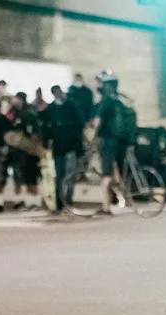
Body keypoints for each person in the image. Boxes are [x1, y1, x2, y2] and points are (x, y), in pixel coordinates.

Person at [91, 70, 136, 215]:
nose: (99, 86)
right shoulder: (119, 99)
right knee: (117, 172)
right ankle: (126, 198)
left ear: (107, 85)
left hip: (107, 140)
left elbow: (97, 121)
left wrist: (92, 138)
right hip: (120, 140)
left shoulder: (106, 100)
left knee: (106, 175)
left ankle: (105, 207)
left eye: (101, 83)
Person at [44, 84, 86, 212]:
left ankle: (67, 201)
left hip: (70, 146)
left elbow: (80, 123)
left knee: (70, 175)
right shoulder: (51, 109)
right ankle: (60, 203)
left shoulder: (71, 106)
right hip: (59, 147)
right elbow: (47, 128)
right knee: (60, 176)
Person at [9, 91, 43, 208]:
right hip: (20, 151)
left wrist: (31, 147)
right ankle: (28, 200)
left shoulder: (28, 113)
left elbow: (34, 133)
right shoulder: (16, 112)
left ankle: (34, 201)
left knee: (31, 175)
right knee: (23, 176)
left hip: (29, 151)